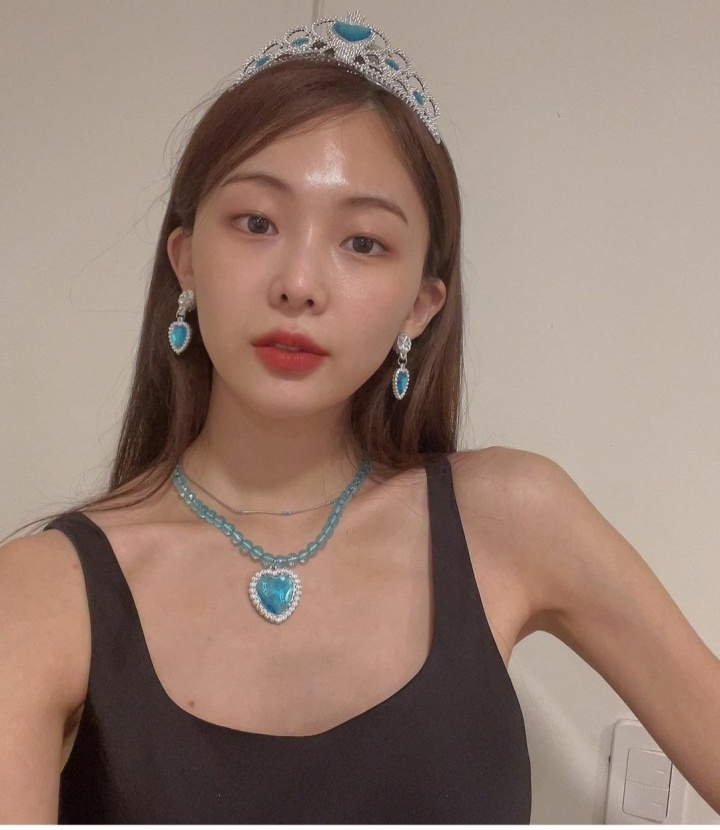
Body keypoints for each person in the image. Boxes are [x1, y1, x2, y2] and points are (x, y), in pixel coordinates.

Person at [1, 11, 718, 824]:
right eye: (256, 223)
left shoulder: (514, 519)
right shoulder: (40, 595)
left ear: (421, 305)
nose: (300, 283)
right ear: (187, 258)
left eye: (364, 243)